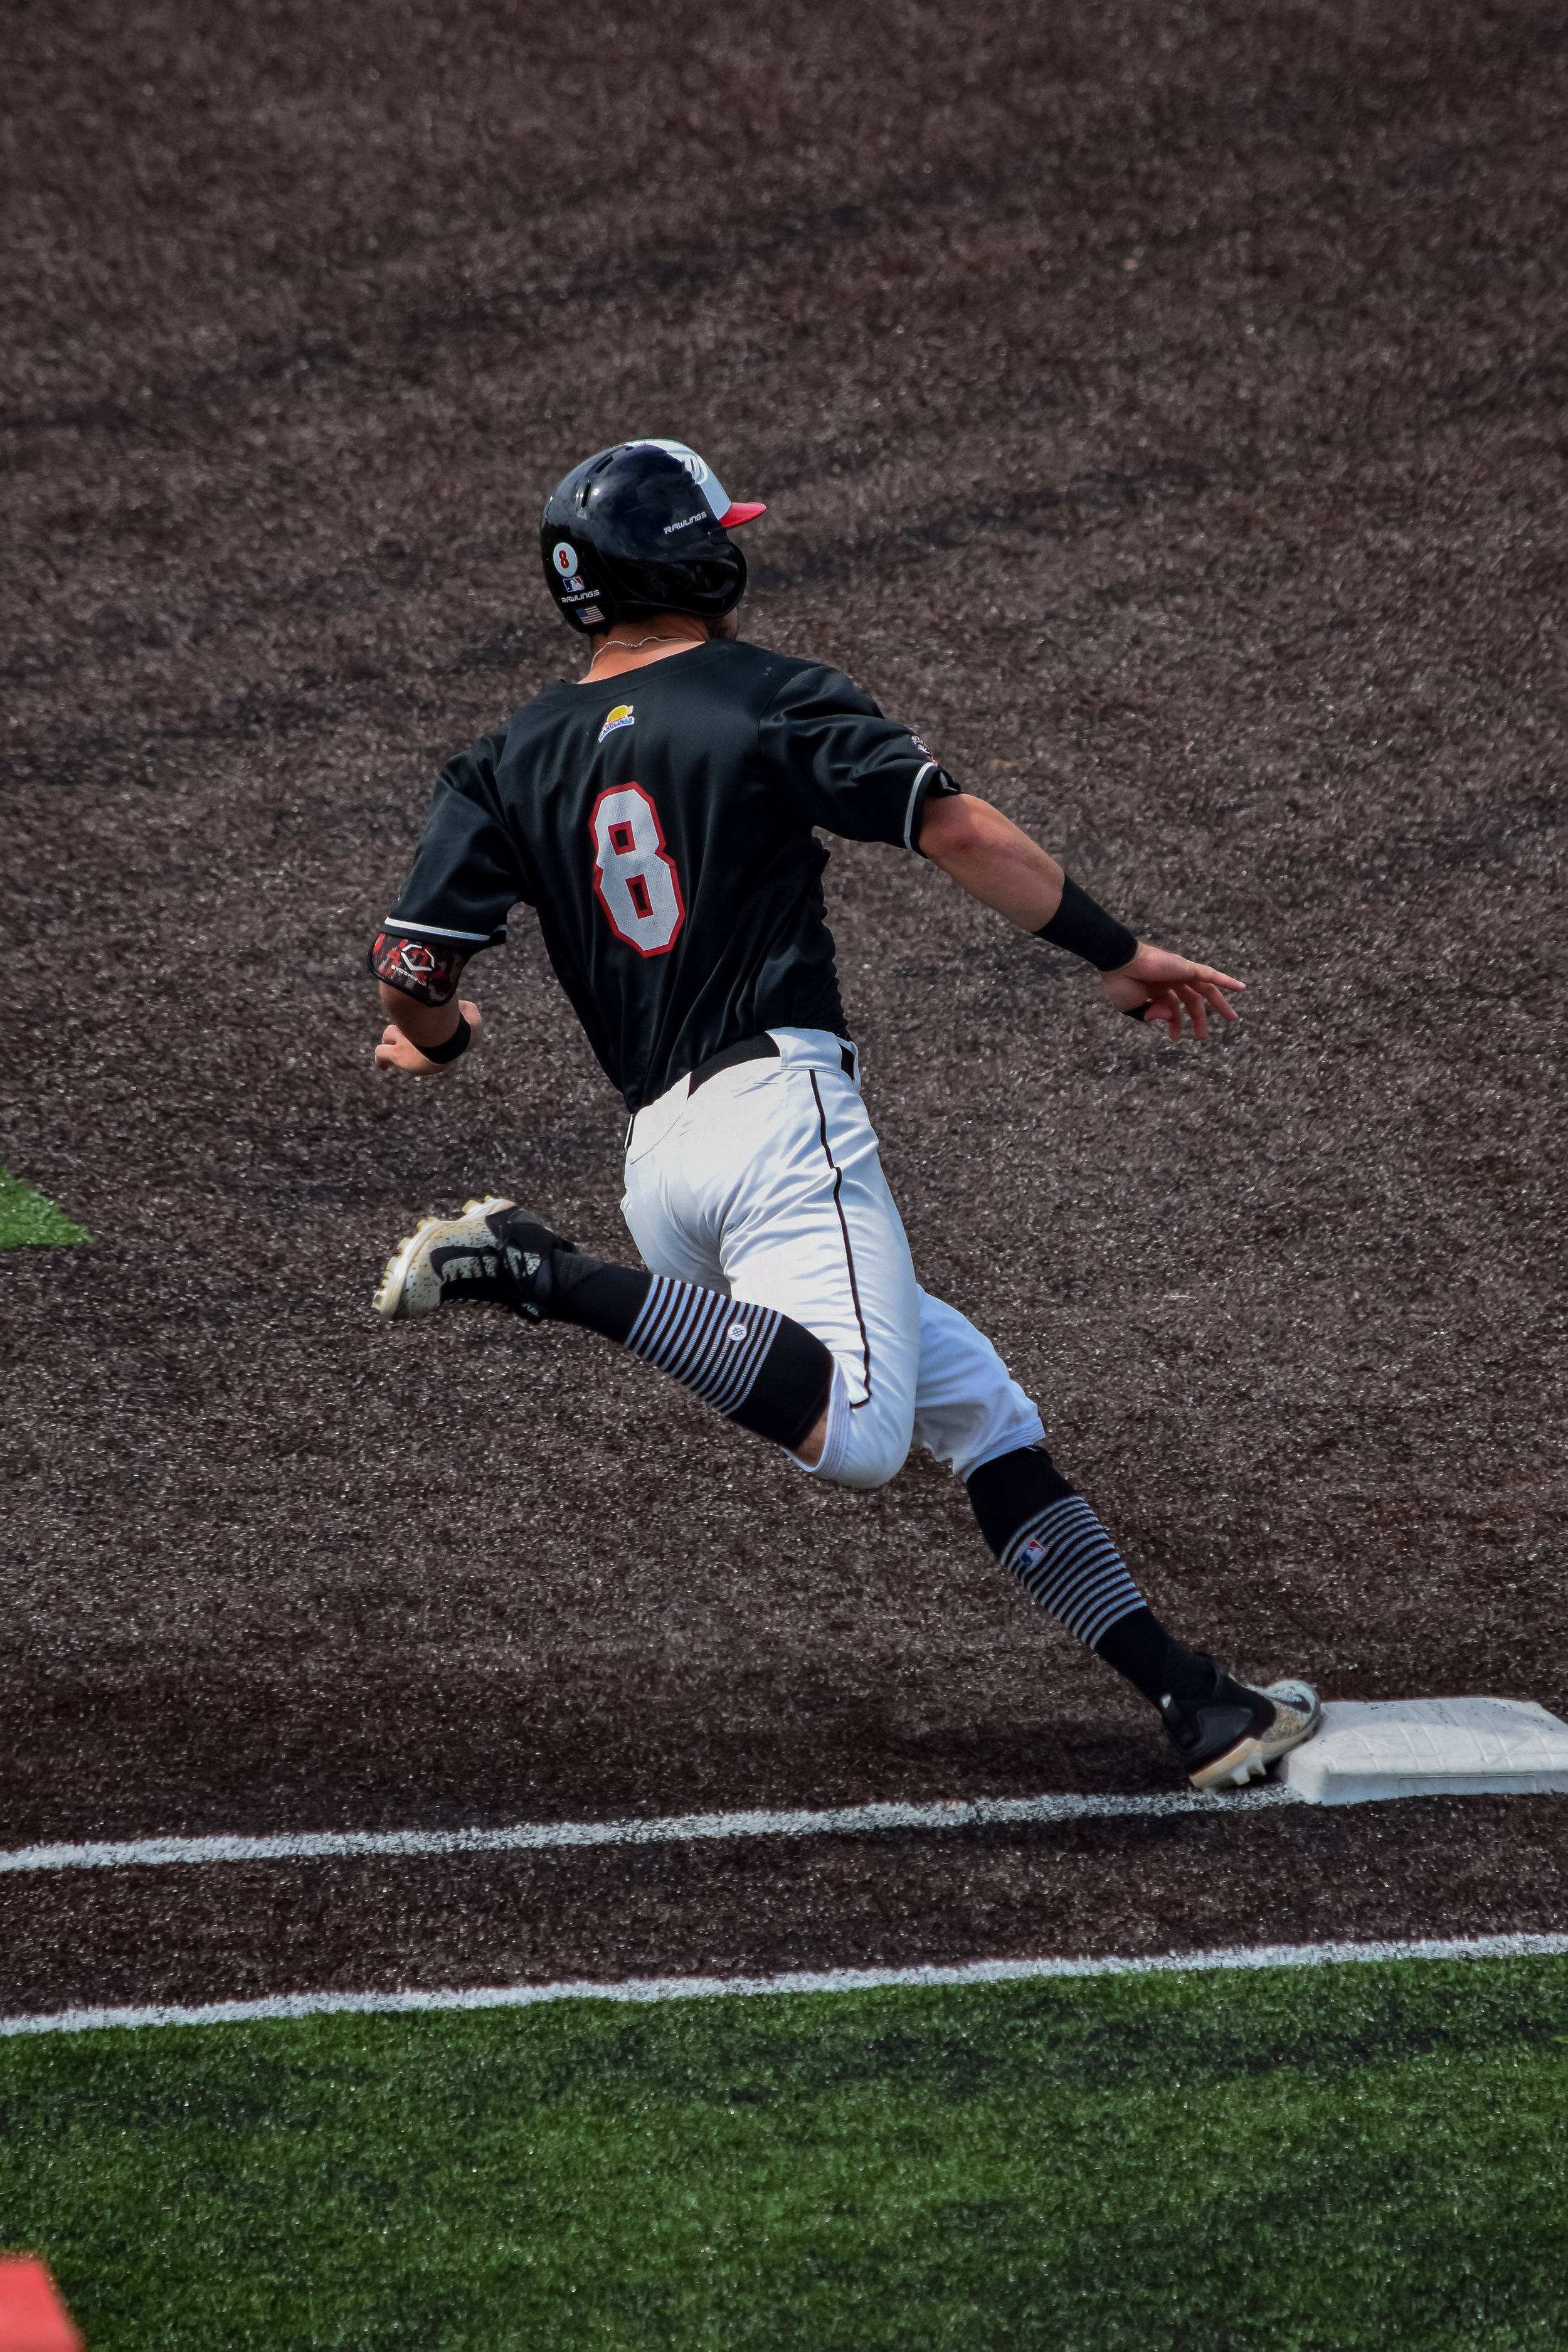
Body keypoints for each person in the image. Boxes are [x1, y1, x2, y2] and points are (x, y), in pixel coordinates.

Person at [367, 436, 1320, 1793]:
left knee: (975, 1408)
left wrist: (443, 1044)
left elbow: (410, 969)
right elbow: (961, 832)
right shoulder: (763, 693)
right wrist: (1115, 953)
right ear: (695, 557)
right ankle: (533, 1268)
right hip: (775, 1124)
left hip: (664, 1165)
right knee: (863, 1442)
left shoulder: (501, 759)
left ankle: (1196, 1707)